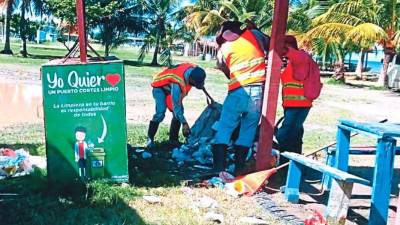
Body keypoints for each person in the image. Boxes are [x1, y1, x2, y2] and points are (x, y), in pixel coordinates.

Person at [213, 21, 269, 175]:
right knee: (248, 130)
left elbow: (224, 69)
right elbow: (270, 43)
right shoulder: (254, 35)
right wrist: (255, 28)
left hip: (237, 92)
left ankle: (219, 169)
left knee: (224, 128)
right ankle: (239, 169)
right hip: (257, 91)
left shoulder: (223, 49)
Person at [147, 63, 206, 147]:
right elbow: (176, 106)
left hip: (170, 88)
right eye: (195, 83)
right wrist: (184, 123)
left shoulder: (194, 70)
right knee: (160, 113)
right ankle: (150, 139)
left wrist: (201, 85)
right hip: (160, 87)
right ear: (191, 79)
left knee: (177, 114)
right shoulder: (178, 82)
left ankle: (173, 140)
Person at [275, 35, 313, 162]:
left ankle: (285, 161)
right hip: (294, 104)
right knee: (295, 132)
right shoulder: (292, 61)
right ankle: (293, 161)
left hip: (298, 104)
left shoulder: (299, 58)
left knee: (285, 133)